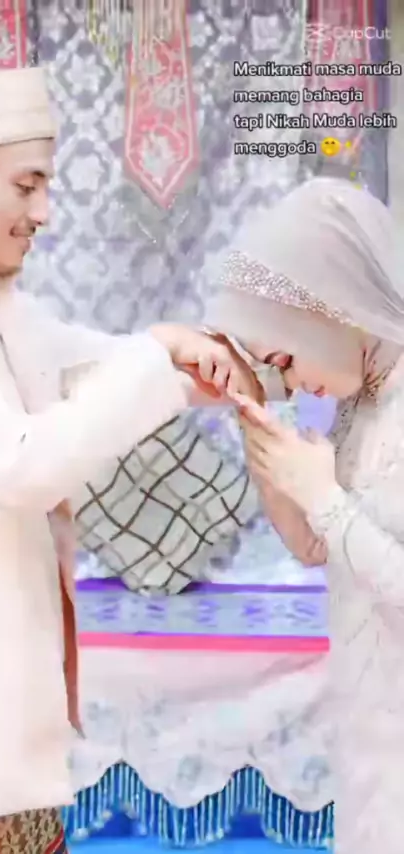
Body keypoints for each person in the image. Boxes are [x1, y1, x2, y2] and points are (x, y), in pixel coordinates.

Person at [0, 68, 263, 852]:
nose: (44, 212)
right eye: (26, 186)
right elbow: (21, 465)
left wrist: (207, 361)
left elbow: (93, 364)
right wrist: (156, 358)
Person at [206, 176, 404, 854]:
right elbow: (317, 548)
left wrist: (324, 498)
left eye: (285, 359)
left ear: (333, 305)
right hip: (369, 729)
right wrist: (257, 428)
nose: (289, 381)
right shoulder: (363, 399)